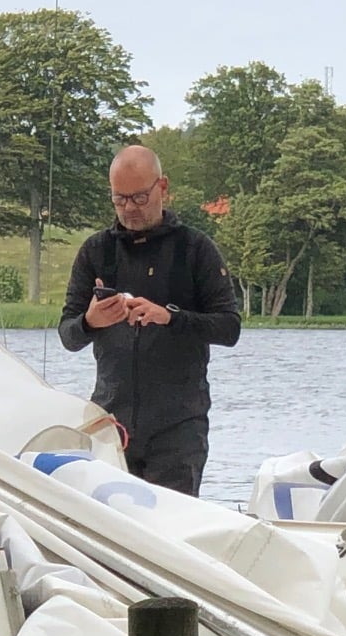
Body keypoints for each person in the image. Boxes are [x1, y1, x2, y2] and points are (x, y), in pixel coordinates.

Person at [56, 144, 241, 494]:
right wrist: (90, 321)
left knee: (172, 521)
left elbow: (229, 328)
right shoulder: (96, 251)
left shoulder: (195, 249)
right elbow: (68, 335)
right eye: (119, 199)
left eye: (139, 198)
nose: (129, 208)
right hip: (111, 424)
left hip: (178, 428)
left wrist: (170, 318)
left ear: (163, 187)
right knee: (110, 522)